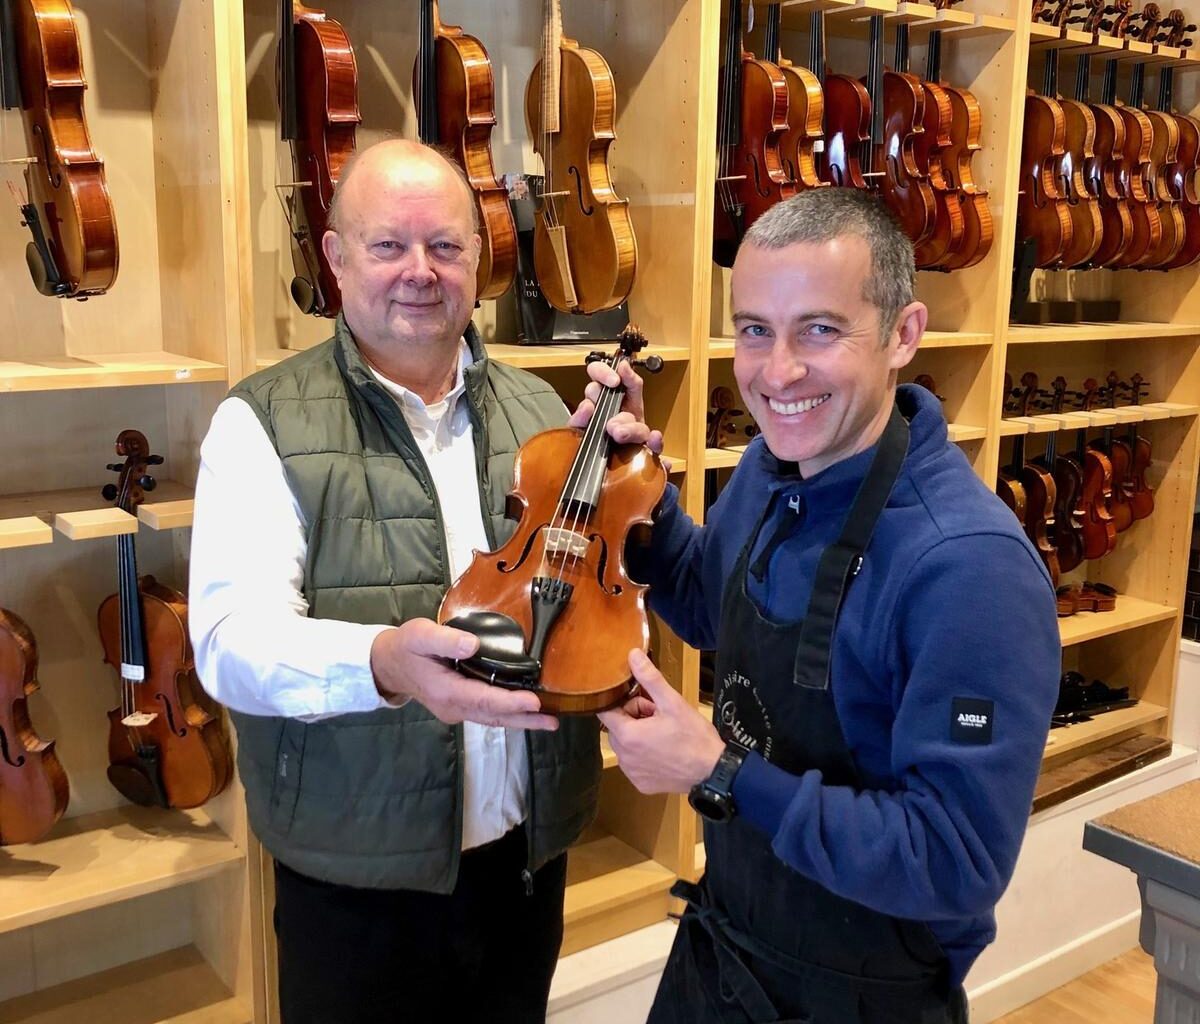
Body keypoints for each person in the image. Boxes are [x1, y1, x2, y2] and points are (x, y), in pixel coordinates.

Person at [581, 188, 1061, 1023]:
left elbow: (954, 860)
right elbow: (707, 602)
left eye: (821, 330)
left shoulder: (971, 573)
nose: (778, 373)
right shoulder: (775, 469)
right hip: (725, 953)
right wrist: (639, 502)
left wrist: (721, 773)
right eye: (756, 330)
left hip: (859, 999)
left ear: (903, 334)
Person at [188, 139, 631, 1023]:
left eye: (446, 247)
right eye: (388, 245)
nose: (420, 273)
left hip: (523, 863)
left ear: (482, 259)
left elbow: (577, 600)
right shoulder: (258, 420)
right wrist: (383, 662)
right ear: (336, 258)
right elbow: (228, 646)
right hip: (355, 881)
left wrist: (626, 499)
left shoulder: (546, 414)